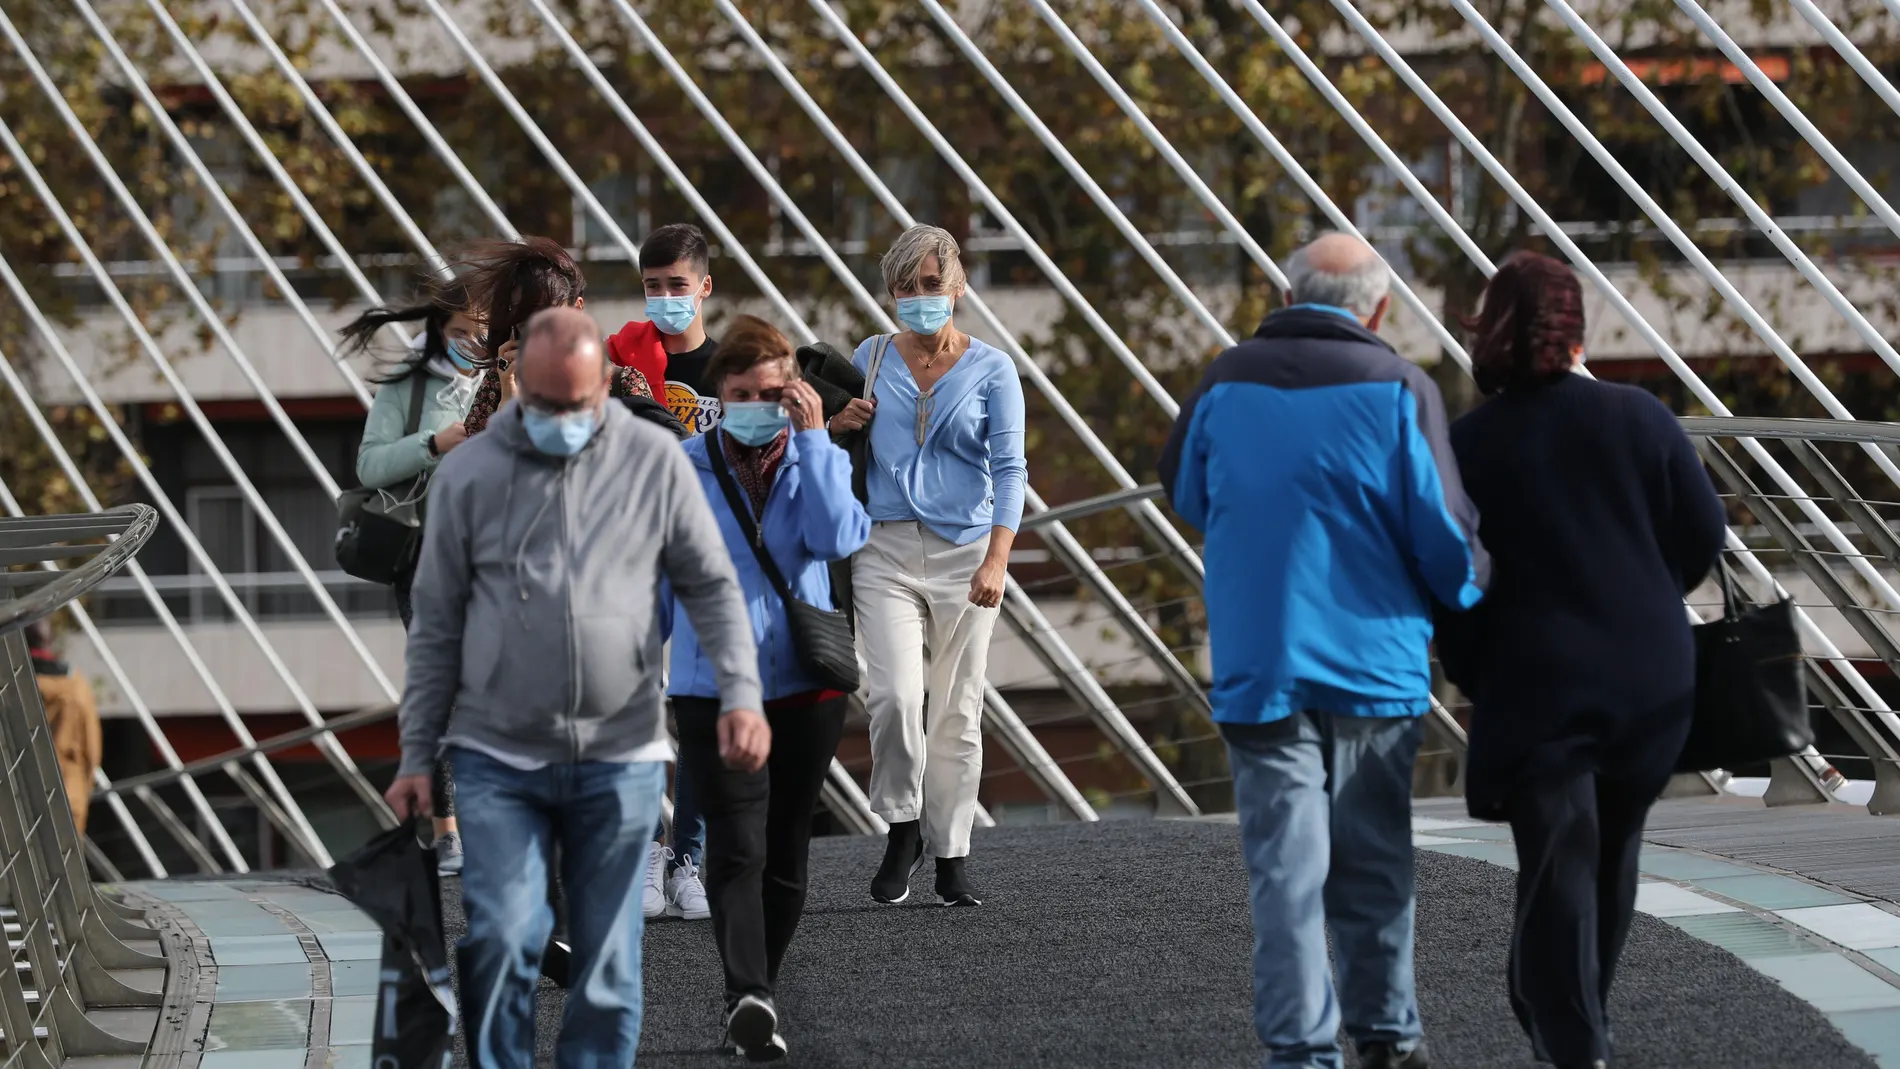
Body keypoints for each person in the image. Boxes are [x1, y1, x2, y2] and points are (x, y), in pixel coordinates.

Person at [386, 307, 765, 1068]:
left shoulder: (653, 460)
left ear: (609, 386)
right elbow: (435, 628)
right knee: (500, 935)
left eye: (578, 403)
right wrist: (416, 752)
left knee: (608, 956)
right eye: (544, 403)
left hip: (618, 750)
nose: (561, 419)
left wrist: (741, 694)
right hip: (498, 753)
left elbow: (712, 585)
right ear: (517, 385)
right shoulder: (469, 474)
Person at [1158, 232, 1488, 1069]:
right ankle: (1386, 1031)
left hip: (1261, 661)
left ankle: (1302, 1050)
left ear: (1287, 292)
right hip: (1374, 664)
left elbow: (1188, 492)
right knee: (1374, 860)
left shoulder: (1223, 383)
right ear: (1378, 307)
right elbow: (1445, 539)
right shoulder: (1399, 387)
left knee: (1285, 870)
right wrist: (1476, 588)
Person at [1434, 252, 1726, 1069]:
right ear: (1577, 331)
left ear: (1490, 329)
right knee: (1611, 849)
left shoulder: (1465, 444)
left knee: (1561, 854)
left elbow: (1450, 574)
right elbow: (1705, 535)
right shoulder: (1641, 417)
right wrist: (1639, 592)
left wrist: (1472, 667)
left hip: (1537, 685)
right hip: (1652, 679)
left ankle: (1574, 1040)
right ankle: (1574, 1014)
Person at [661, 314, 869, 1060]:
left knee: (786, 852)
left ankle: (759, 992)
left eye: (771, 391)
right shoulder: (683, 465)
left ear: (793, 392)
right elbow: (660, 576)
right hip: (710, 685)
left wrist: (816, 443)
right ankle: (743, 991)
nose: (757, 402)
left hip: (805, 684)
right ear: (720, 392)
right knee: (738, 845)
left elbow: (840, 538)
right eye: (742, 391)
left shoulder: (814, 455)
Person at [849, 224, 1024, 908]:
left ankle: (951, 849)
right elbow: (829, 437)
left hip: (966, 555)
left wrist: (997, 558)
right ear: (891, 292)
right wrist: (838, 422)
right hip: (884, 546)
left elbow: (1010, 469)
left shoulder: (992, 369)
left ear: (956, 287)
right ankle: (901, 825)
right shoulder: (868, 356)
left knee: (958, 708)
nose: (920, 298)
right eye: (906, 287)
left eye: (931, 285)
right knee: (892, 696)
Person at [344, 280, 485, 876]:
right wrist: (433, 442)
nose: (472, 344)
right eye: (459, 334)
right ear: (438, 332)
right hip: (424, 553)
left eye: (483, 332)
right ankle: (449, 831)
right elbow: (369, 465)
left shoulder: (513, 378)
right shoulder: (411, 384)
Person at [627, 222, 720, 925]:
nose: (665, 299)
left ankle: (684, 853)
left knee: (697, 712)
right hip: (637, 552)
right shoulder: (624, 366)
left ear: (704, 287)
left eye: (677, 287)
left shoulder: (731, 369)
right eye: (653, 288)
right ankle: (635, 855)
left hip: (709, 560)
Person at [24, 619, 101, 837]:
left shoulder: (11, 685)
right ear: (49, 641)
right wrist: (83, 790)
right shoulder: (76, 685)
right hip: (67, 792)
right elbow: (92, 749)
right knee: (65, 867)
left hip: (15, 796)